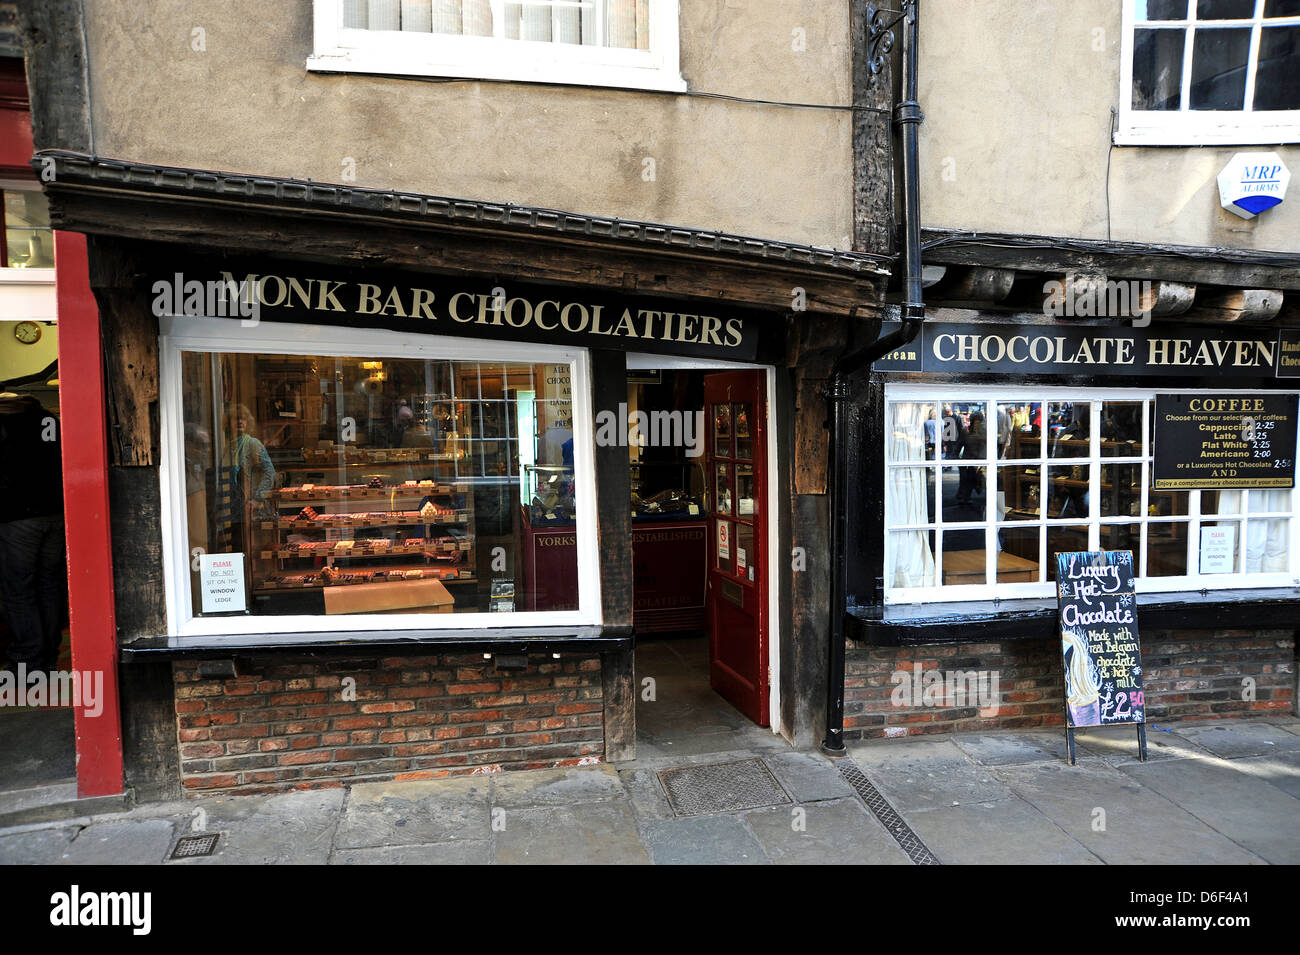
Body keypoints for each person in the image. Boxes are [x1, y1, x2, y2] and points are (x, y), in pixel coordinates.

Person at [0, 394, 66, 671]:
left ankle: (26, 659)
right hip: (56, 514)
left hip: (18, 517)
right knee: (49, 584)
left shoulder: (4, 420)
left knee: (19, 589)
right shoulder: (48, 418)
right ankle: (48, 654)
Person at [223, 403, 275, 553]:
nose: (240, 422)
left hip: (250, 509)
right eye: (236, 419)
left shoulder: (252, 443)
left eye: (243, 419)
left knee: (251, 551)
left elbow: (269, 472)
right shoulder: (228, 446)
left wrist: (258, 499)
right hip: (233, 509)